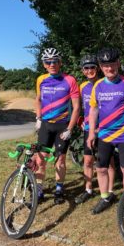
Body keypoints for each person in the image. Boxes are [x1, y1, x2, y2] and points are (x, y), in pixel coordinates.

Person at [87, 47, 124, 217]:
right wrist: (91, 133)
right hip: (104, 134)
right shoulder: (98, 85)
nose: (109, 69)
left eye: (112, 64)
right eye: (105, 66)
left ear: (118, 63)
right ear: (101, 67)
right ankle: (105, 197)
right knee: (101, 169)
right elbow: (93, 110)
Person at [35, 47, 80, 204]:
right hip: (46, 124)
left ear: (60, 62)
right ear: (44, 64)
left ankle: (59, 189)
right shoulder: (41, 79)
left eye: (55, 61)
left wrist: (70, 128)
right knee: (40, 159)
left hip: (62, 125)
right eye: (48, 62)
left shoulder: (70, 80)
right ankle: (39, 191)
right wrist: (38, 117)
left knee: (60, 160)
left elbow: (76, 107)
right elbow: (38, 99)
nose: (52, 64)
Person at [74, 54, 116, 205]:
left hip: (105, 129)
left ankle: (110, 191)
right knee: (88, 160)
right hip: (89, 129)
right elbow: (80, 108)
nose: (90, 70)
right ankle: (88, 189)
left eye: (92, 67)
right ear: (83, 70)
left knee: (108, 161)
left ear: (97, 68)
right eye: (86, 68)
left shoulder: (104, 83)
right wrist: (80, 122)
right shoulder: (83, 87)